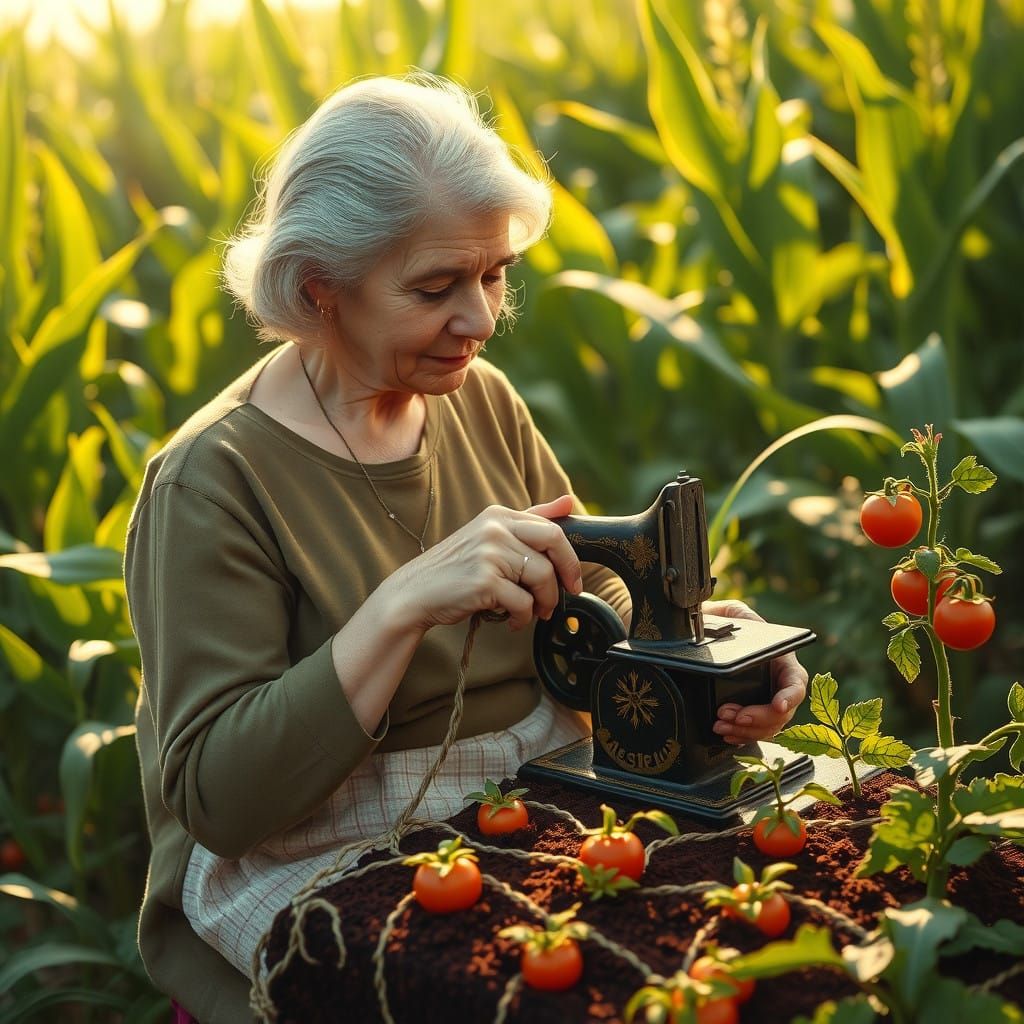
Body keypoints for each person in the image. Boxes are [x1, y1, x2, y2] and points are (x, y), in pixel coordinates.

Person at [124, 73, 807, 1023]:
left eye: (494, 275)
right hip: (316, 848)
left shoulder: (479, 397)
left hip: (521, 797)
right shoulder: (216, 478)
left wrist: (709, 662)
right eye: (436, 287)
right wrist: (404, 604)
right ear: (319, 286)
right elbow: (223, 805)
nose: (482, 321)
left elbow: (588, 616)